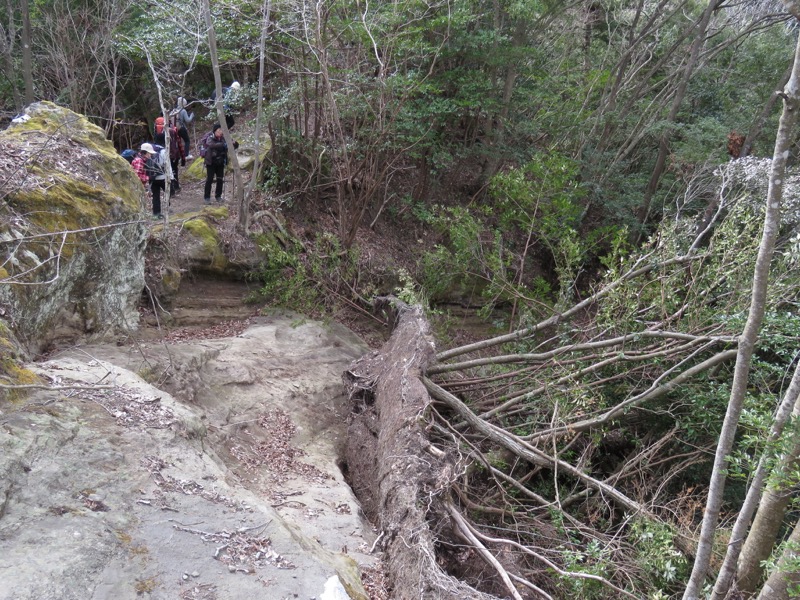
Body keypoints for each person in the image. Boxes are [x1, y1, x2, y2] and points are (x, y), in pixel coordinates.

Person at [203, 123, 238, 204]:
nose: (220, 131)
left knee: (220, 179)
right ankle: (207, 197)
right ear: (215, 131)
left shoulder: (223, 138)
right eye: (219, 130)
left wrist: (234, 143)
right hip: (211, 162)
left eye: (221, 130)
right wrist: (224, 144)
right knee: (210, 179)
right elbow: (212, 145)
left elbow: (235, 146)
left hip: (220, 162)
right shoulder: (210, 138)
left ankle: (218, 196)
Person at [154, 116, 185, 195]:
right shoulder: (172, 130)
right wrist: (182, 157)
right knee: (173, 171)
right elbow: (178, 143)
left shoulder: (157, 132)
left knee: (168, 172)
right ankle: (175, 187)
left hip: (165, 155)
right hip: (173, 155)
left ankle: (172, 190)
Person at [141, 142, 168, 219]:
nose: (150, 155)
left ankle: (156, 213)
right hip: (156, 178)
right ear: (144, 152)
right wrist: (148, 178)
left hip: (152, 179)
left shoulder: (144, 159)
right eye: (149, 153)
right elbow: (138, 174)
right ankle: (159, 212)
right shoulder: (140, 160)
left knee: (156, 196)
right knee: (162, 193)